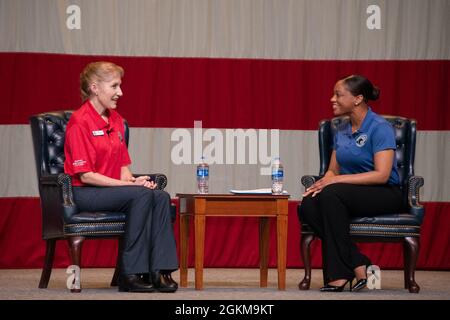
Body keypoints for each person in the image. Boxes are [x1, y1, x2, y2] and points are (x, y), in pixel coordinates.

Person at [64, 61, 178, 293]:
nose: (120, 92)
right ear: (95, 88)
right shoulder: (80, 121)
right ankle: (131, 273)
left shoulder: (116, 120)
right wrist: (130, 187)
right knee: (141, 196)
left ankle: (160, 270)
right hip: (86, 193)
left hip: (113, 191)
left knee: (160, 196)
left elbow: (124, 167)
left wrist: (135, 181)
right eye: (114, 86)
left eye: (120, 86)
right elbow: (86, 176)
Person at [297, 75, 405, 292]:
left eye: (338, 94)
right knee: (308, 203)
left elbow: (382, 175)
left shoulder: (379, 127)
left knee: (331, 194)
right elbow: (333, 169)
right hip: (348, 192)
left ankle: (337, 276)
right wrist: (324, 181)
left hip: (384, 192)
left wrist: (334, 181)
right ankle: (358, 262)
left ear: (357, 99)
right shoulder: (342, 129)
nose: (332, 99)